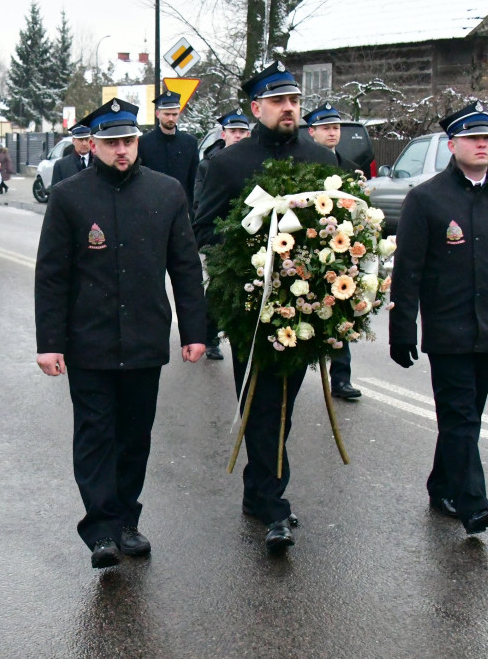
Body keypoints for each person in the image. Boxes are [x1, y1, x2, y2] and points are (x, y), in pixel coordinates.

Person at [35, 97, 207, 569]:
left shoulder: (167, 192)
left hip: (145, 339)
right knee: (95, 434)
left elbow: (186, 268)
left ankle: (127, 521)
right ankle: (101, 528)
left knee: (135, 436)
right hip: (87, 342)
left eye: (128, 141)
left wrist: (196, 330)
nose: (122, 151)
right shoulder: (70, 196)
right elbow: (52, 275)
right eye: (112, 143)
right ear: (94, 145)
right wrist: (49, 343)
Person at [194, 61, 336, 553]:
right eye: (278, 101)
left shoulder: (321, 159)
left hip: (305, 308)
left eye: (294, 100)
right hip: (251, 309)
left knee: (284, 407)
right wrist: (249, 256)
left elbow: (340, 225)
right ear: (256, 109)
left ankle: (258, 494)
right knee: (261, 403)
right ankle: (274, 506)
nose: (290, 108)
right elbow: (204, 229)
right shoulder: (229, 164)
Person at [389, 102, 488, 536]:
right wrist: (402, 329)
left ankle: (442, 483)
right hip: (447, 330)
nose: (483, 145)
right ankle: (472, 502)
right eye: (474, 138)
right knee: (460, 416)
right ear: (453, 144)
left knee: (467, 416)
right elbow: (408, 270)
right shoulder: (427, 198)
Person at [303, 102, 362, 400]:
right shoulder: (303, 168)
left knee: (339, 311)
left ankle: (341, 378)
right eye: (326, 127)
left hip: (341, 253)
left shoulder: (350, 169)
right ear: (311, 131)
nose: (332, 133)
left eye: (336, 127)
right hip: (306, 252)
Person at [193, 110, 250, 361]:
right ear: (223, 134)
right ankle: (211, 337)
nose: (238, 136)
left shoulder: (254, 160)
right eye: (233, 132)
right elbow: (201, 203)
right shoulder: (209, 165)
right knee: (217, 287)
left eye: (242, 132)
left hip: (250, 236)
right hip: (220, 236)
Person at [138, 90, 200, 218]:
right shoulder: (144, 142)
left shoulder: (190, 143)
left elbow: (194, 180)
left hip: (182, 208)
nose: (171, 118)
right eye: (166, 114)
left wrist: (192, 209)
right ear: (157, 114)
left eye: (174, 114)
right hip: (152, 208)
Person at [50, 123, 92, 188]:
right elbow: (56, 194)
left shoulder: (100, 163)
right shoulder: (61, 165)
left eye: (87, 139)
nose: (84, 143)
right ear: (73, 141)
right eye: (80, 140)